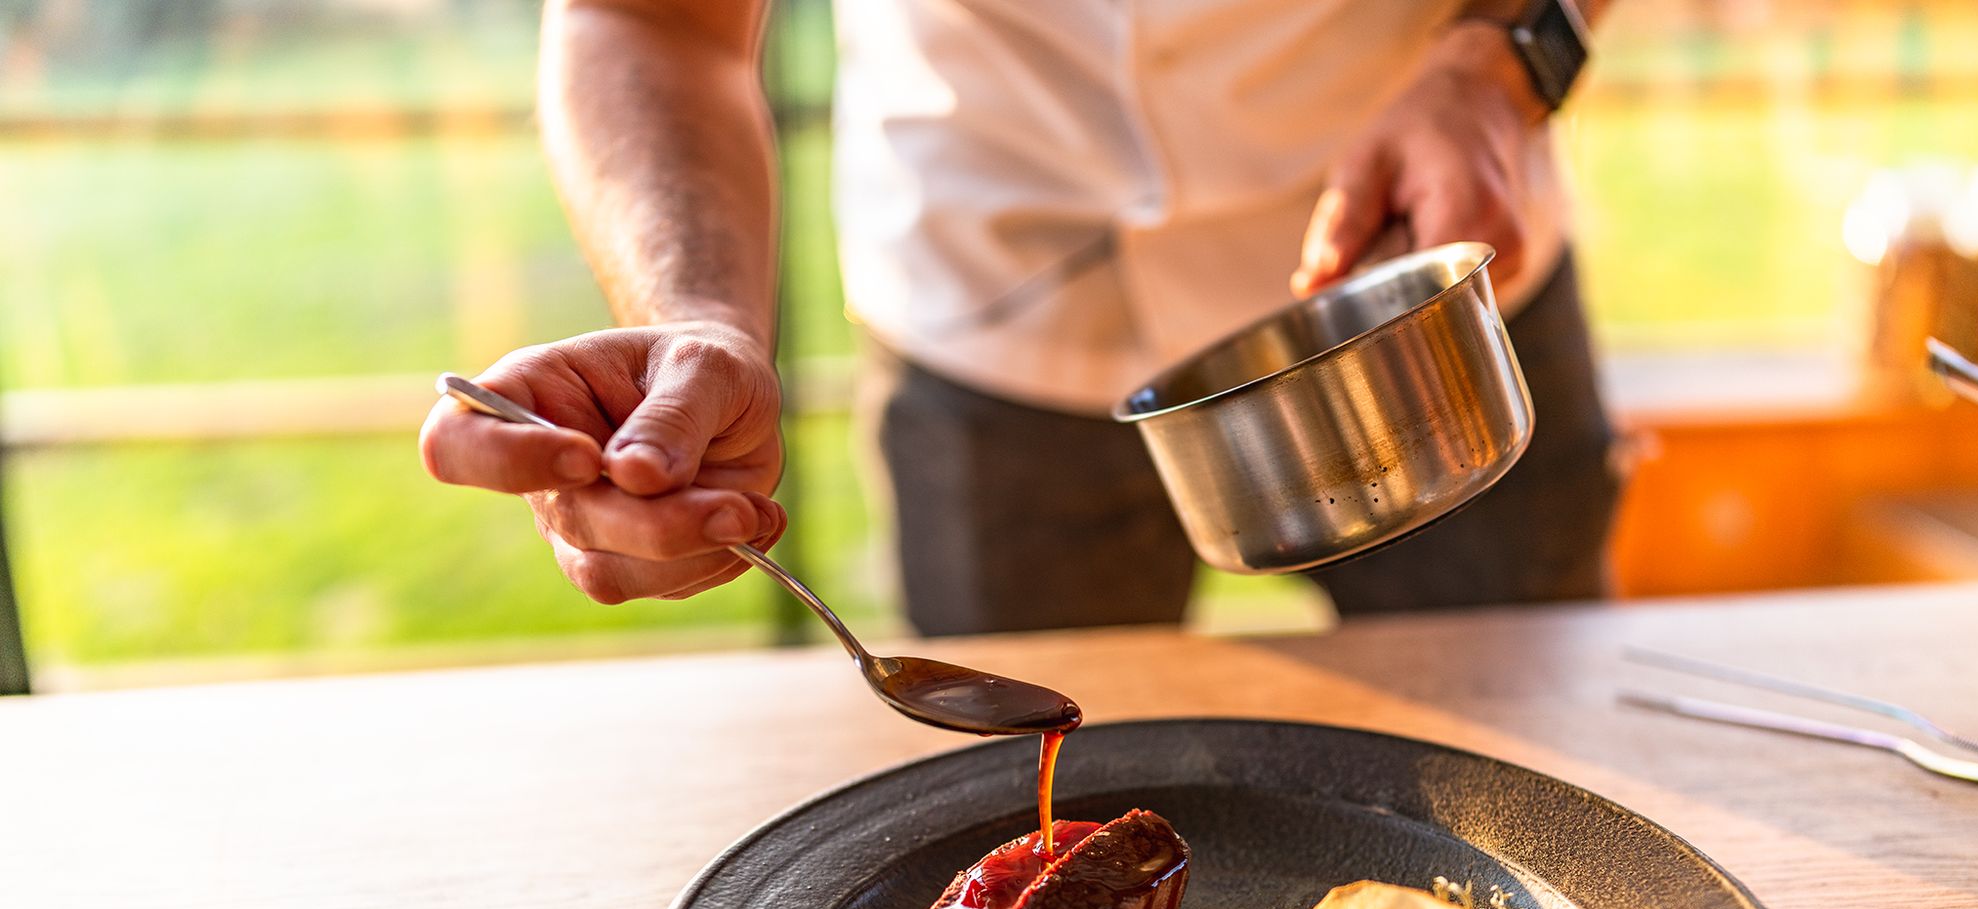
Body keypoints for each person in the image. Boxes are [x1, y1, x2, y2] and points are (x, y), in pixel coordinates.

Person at [420, 0, 1618, 630]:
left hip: (1415, 281)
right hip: (983, 311)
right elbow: (651, 17)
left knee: (1532, 774)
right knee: (1028, 826)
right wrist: (697, 317)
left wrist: (1502, 58)